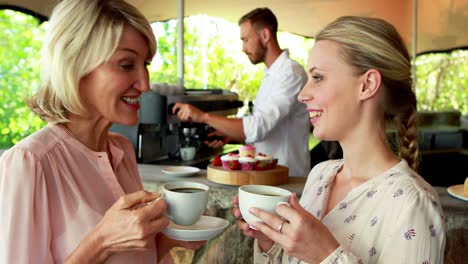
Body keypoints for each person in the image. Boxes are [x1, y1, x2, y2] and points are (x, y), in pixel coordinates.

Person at [0, 0, 202, 263]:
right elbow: (109, 243)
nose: (145, 84)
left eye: (146, 64)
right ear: (76, 65)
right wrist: (102, 242)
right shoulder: (30, 163)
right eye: (127, 64)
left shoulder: (122, 150)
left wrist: (165, 241)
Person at [233, 16, 446, 263]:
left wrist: (326, 255)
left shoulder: (413, 205)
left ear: (367, 85)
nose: (302, 94)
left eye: (318, 77)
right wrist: (269, 240)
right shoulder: (320, 175)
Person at [173, 8, 310, 177]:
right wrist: (229, 135)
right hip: (268, 175)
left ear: (265, 35)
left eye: (245, 39)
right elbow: (264, 130)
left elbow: (259, 127)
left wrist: (203, 117)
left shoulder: (290, 73)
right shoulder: (271, 74)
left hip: (287, 176)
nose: (243, 48)